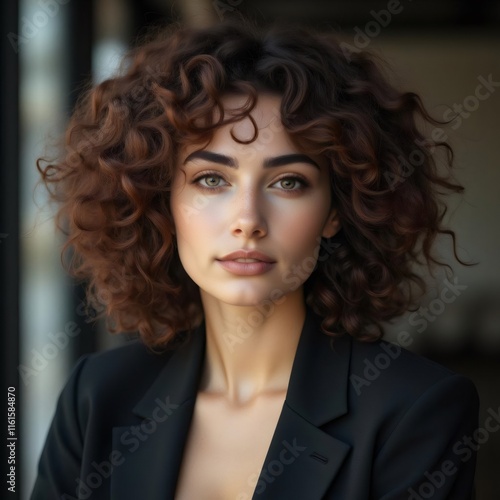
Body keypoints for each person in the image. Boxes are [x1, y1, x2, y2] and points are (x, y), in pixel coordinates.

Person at [31, 21, 479, 500]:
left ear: (335, 211)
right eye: (211, 180)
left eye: (288, 182)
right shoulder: (96, 397)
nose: (248, 220)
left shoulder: (414, 408)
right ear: (162, 201)